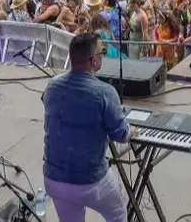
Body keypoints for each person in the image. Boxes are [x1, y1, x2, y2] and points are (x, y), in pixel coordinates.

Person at [42, 31, 135, 222]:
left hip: (53, 179)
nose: (103, 56)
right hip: (90, 181)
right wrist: (132, 130)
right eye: (103, 52)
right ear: (93, 60)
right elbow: (121, 134)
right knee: (117, 214)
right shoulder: (104, 92)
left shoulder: (52, 86)